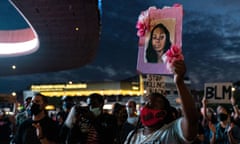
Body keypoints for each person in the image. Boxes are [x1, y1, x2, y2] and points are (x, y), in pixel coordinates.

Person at [124, 60, 198, 144]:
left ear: (164, 113)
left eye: (155, 103)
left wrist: (179, 82)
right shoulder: (133, 136)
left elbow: (192, 121)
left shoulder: (172, 131)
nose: (149, 104)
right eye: (146, 103)